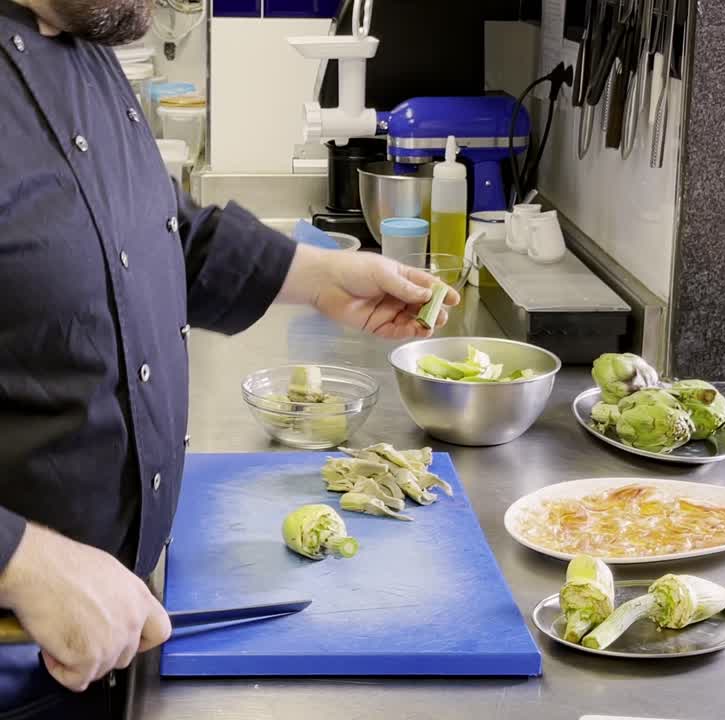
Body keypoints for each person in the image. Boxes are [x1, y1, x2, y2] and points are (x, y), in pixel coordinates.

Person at [0, 0, 460, 716]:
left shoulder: (81, 39)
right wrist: (20, 560)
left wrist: (316, 278)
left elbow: (141, 233)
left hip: (106, 633)